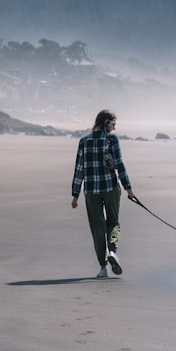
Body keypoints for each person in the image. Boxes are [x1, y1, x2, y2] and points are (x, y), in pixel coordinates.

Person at [71, 109, 135, 278]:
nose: (114, 129)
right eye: (113, 124)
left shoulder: (84, 141)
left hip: (91, 191)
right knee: (113, 222)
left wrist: (75, 194)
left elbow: (79, 169)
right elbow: (119, 164)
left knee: (97, 228)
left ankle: (102, 267)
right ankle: (112, 251)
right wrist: (128, 189)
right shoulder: (111, 139)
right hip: (111, 187)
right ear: (106, 122)